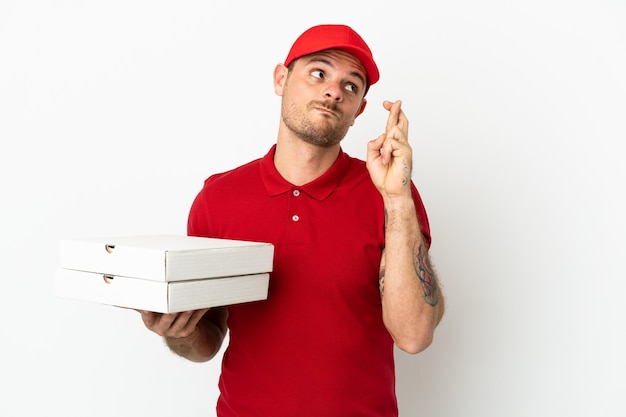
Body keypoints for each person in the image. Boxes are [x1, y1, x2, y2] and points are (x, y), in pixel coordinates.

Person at [138, 24, 444, 417]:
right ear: (281, 79)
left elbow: (414, 335)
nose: (334, 91)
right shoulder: (218, 199)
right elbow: (209, 338)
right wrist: (177, 332)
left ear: (359, 111)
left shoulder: (388, 197)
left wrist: (398, 199)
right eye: (319, 73)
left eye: (351, 86)